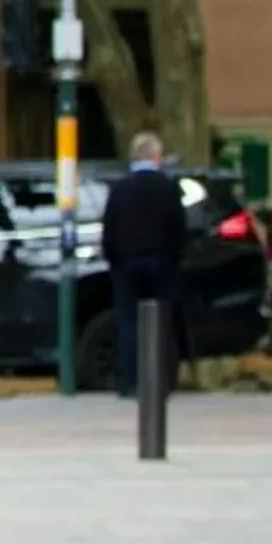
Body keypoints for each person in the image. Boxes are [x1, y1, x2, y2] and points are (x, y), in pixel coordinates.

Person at [100, 132, 186, 400]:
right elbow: (178, 229)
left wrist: (115, 260)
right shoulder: (168, 188)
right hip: (161, 263)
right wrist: (173, 259)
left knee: (128, 323)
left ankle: (130, 381)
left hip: (126, 265)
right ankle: (161, 381)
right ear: (156, 157)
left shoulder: (119, 188)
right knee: (161, 324)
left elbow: (109, 230)